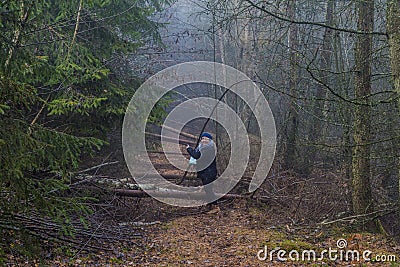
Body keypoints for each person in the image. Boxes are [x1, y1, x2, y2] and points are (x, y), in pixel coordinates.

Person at [186, 132, 218, 209]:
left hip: (209, 173)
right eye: (202, 138)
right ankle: (211, 204)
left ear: (210, 140)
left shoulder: (208, 148)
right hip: (205, 172)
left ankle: (215, 206)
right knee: (207, 189)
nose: (204, 140)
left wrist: (189, 149)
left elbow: (197, 156)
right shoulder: (202, 147)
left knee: (208, 189)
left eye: (206, 139)